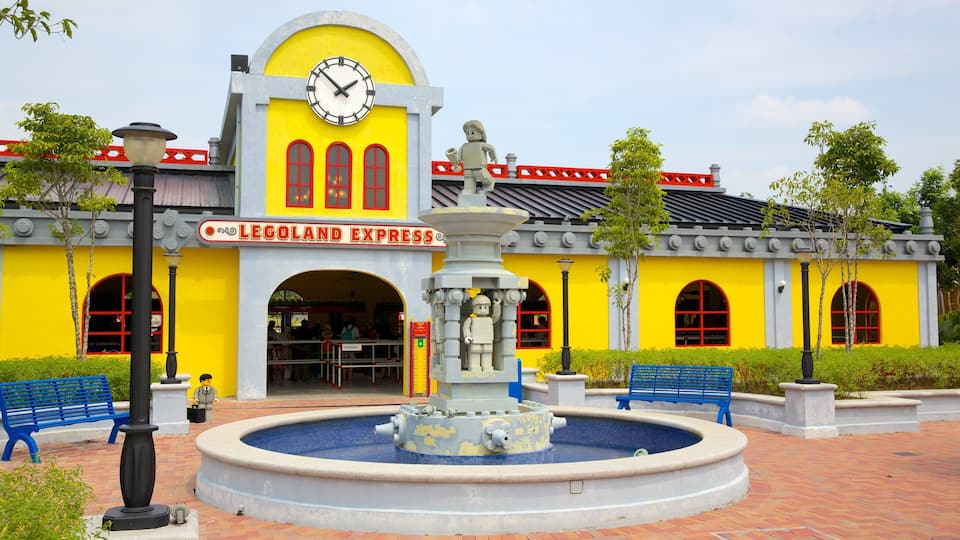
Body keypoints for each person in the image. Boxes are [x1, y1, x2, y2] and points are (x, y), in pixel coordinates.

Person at [445, 119, 497, 196]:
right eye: (467, 133)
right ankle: (469, 189)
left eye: (472, 132)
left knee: (481, 174)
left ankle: (489, 182)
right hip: (467, 166)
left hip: (479, 165)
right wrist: (458, 159)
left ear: (481, 133)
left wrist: (493, 156)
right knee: (468, 177)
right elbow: (459, 154)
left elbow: (491, 149)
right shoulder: (464, 146)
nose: (470, 135)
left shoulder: (481, 144)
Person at [462, 293, 501, 372]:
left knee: (487, 353)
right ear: (474, 308)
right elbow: (466, 328)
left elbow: (496, 316)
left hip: (487, 340)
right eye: (480, 307)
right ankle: (474, 366)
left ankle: (487, 366)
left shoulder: (489, 320)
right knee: (475, 353)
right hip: (475, 340)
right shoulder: (471, 320)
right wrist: (467, 336)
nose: (483, 310)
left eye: (485, 307)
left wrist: (497, 306)